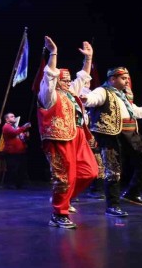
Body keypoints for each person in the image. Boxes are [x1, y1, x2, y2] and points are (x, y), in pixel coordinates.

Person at [82, 66, 142, 217]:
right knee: (113, 171)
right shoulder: (102, 91)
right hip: (111, 135)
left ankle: (132, 193)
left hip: (130, 134)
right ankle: (112, 206)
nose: (127, 81)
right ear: (112, 79)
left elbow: (138, 112)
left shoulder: (124, 96)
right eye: (123, 78)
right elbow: (93, 99)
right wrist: (86, 99)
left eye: (127, 78)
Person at [37, 37, 98, 229]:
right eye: (63, 79)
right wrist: (53, 53)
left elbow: (83, 78)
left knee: (90, 171)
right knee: (64, 176)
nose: (67, 82)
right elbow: (49, 76)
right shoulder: (48, 95)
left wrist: (88, 59)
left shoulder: (71, 93)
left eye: (68, 80)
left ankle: (66, 198)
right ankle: (59, 214)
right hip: (60, 138)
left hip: (78, 135)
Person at [1, 113, 32, 189]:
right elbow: (14, 133)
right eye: (12, 117)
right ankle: (10, 184)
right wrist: (24, 127)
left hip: (21, 152)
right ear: (7, 119)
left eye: (14, 116)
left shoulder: (17, 127)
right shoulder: (6, 126)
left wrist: (26, 136)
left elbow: (21, 137)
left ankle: (19, 184)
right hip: (12, 152)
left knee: (21, 169)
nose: (14, 117)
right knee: (13, 169)